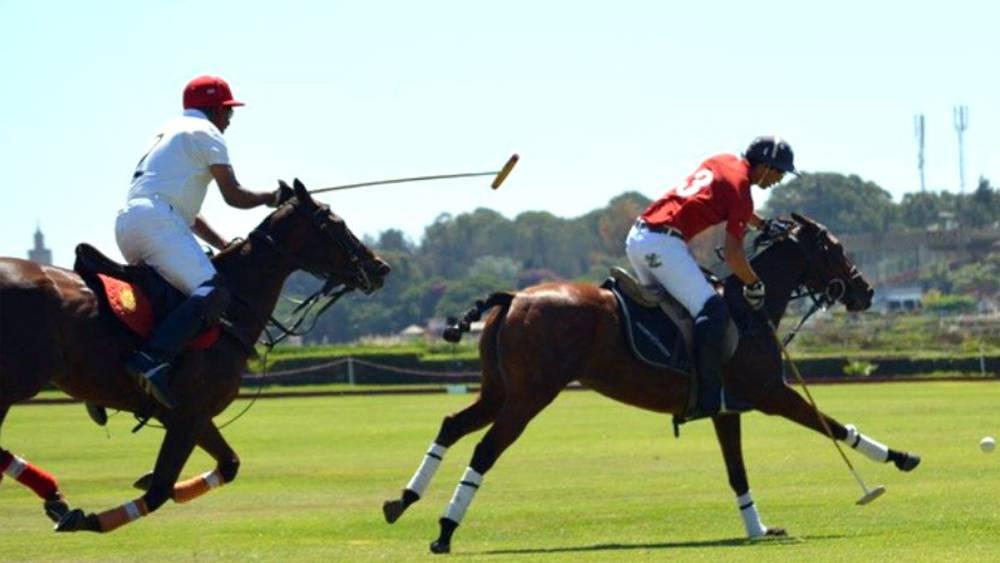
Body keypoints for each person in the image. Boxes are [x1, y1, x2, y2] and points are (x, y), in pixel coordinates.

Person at [115, 75, 289, 409]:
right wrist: (274, 196)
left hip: (130, 223)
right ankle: (150, 360)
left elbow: (188, 215)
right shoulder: (207, 134)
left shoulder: (168, 131)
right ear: (214, 109)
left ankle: (114, 362)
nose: (229, 121)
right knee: (215, 292)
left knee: (173, 298)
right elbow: (234, 196)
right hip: (158, 224)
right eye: (228, 112)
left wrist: (223, 243)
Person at [624, 135, 798, 420]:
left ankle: (672, 379)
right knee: (713, 311)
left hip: (639, 237)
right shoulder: (743, 190)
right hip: (663, 243)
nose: (779, 179)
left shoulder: (723, 160)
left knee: (675, 313)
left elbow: (730, 201)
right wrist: (754, 283)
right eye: (779, 171)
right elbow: (733, 255)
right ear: (765, 167)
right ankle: (707, 400)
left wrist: (761, 224)